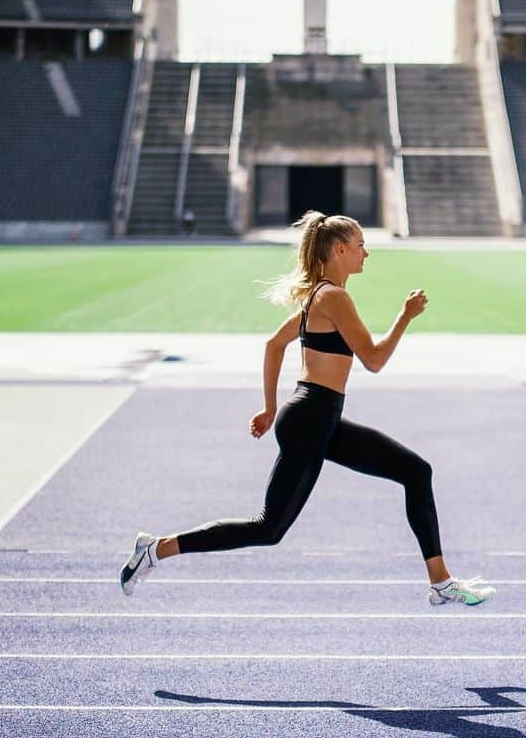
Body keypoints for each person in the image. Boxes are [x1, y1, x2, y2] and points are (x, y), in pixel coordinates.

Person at [120, 210, 495, 607]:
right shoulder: (333, 296)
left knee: (415, 471)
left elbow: (273, 345)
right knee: (268, 529)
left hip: (316, 417)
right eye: (361, 246)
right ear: (339, 249)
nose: (366, 254)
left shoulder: (318, 297)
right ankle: (155, 549)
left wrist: (269, 409)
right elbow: (374, 360)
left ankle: (439, 581)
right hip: (311, 419)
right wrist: (405, 317)